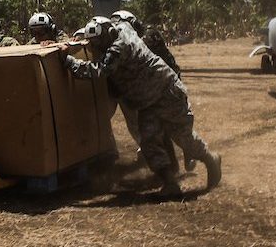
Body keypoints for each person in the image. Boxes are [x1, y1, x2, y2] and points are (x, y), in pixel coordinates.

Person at [61, 17, 221, 196]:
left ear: (108, 33)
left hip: (165, 92)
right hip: (146, 100)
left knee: (181, 136)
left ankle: (210, 158)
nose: (97, 46)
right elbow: (112, 25)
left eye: (99, 42)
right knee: (149, 142)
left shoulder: (118, 49)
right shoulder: (123, 28)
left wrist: (69, 61)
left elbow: (99, 70)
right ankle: (170, 183)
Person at [108, 10, 188, 171]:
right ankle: (174, 165)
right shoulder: (134, 40)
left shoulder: (147, 38)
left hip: (166, 86)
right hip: (154, 89)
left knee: (172, 125)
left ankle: (189, 155)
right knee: (161, 128)